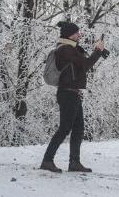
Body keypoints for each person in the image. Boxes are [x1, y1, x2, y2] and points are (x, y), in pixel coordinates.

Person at [40, 21, 105, 173]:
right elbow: (85, 65)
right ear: (69, 34)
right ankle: (47, 160)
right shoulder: (65, 49)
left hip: (72, 93)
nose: (79, 35)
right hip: (67, 93)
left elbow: (81, 65)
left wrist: (97, 51)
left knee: (78, 128)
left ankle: (74, 163)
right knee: (64, 129)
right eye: (76, 33)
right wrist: (98, 51)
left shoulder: (71, 49)